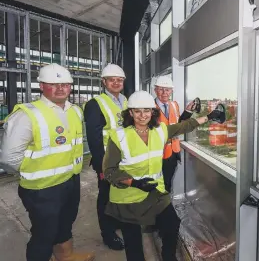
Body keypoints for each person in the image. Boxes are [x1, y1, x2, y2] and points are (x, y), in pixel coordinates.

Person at [102, 90, 226, 261]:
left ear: (153, 112)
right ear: (130, 113)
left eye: (146, 110)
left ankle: (168, 257)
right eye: (137, 111)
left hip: (155, 191)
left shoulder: (160, 130)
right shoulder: (119, 136)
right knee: (133, 243)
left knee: (172, 224)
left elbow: (185, 125)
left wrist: (209, 116)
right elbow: (109, 170)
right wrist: (134, 183)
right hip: (127, 197)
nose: (142, 115)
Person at [0, 63, 95, 261]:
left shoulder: (75, 111)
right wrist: (36, 170)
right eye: (53, 84)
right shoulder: (27, 114)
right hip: (42, 188)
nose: (60, 89)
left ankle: (65, 256)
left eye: (65, 84)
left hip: (70, 180)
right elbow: (9, 159)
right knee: (44, 233)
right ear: (41, 86)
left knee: (65, 223)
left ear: (71, 86)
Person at [83, 63, 127, 250]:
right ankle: (108, 234)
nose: (116, 83)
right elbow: (94, 139)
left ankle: (115, 221)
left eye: (119, 80)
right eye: (112, 80)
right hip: (107, 160)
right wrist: (102, 166)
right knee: (106, 197)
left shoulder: (125, 100)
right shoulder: (95, 104)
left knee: (121, 193)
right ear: (104, 82)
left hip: (124, 158)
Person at [153, 75, 200, 193]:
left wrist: (188, 111)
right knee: (157, 186)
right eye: (161, 89)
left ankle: (165, 207)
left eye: (167, 89)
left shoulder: (174, 105)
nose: (164, 93)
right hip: (157, 154)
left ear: (171, 91)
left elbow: (179, 124)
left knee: (168, 184)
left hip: (173, 152)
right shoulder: (149, 107)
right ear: (155, 90)